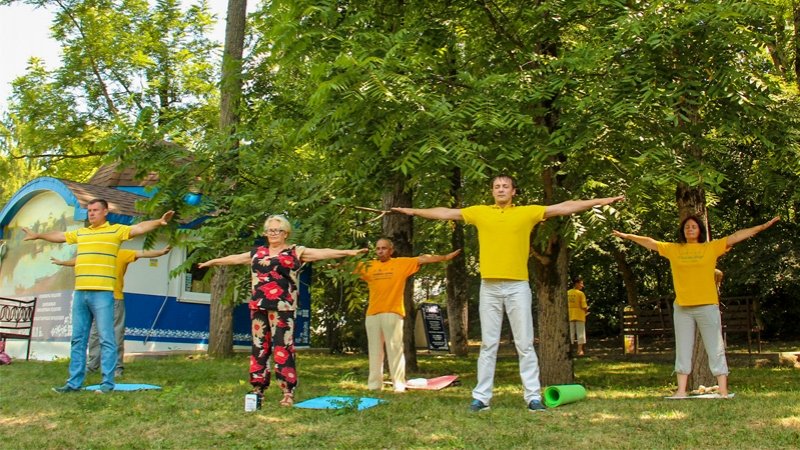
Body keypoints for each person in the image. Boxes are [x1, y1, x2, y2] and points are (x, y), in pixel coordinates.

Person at [393, 175, 623, 412]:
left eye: (505, 186)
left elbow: (565, 207)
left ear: (514, 191)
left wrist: (601, 200)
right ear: (492, 191)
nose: (500, 189)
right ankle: (481, 398)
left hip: (518, 287)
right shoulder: (480, 212)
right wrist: (412, 211)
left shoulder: (527, 212)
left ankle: (533, 397)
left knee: (525, 344)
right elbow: (446, 213)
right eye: (496, 187)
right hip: (489, 287)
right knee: (488, 345)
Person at [198, 214, 367, 407]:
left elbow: (322, 252)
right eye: (270, 230)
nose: (273, 233)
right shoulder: (258, 253)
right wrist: (212, 262)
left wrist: (348, 252)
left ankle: (287, 391)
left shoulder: (295, 251)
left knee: (282, 348)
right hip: (258, 306)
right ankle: (257, 389)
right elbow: (236, 259)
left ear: (286, 233)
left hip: (283, 306)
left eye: (277, 230)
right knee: (259, 348)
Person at [612, 215, 779, 398]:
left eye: (693, 227)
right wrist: (628, 236)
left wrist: (762, 227)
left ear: (700, 230)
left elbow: (736, 236)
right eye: (686, 227)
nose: (689, 229)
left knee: (715, 348)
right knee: (683, 349)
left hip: (707, 306)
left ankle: (723, 391)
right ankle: (681, 391)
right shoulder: (674, 249)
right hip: (682, 307)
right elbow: (650, 242)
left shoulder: (710, 247)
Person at [23, 199, 173, 393]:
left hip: (103, 293)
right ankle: (73, 383)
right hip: (81, 293)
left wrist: (158, 222)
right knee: (78, 339)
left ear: (105, 212)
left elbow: (138, 228)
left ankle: (107, 384)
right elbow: (60, 235)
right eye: (89, 211)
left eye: (95, 210)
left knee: (106, 339)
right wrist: (38, 235)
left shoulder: (116, 231)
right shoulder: (82, 233)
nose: (91, 214)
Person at [355, 237, 460, 392]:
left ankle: (398, 385)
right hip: (373, 313)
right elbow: (345, 267)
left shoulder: (401, 263)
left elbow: (423, 259)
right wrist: (329, 263)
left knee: (395, 349)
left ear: (391, 250)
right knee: (374, 350)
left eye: (384, 248)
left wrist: (444, 257)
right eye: (377, 248)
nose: (380, 251)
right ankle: (374, 385)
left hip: (393, 312)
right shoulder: (368, 265)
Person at [51, 246, 172, 378]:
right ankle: (92, 366)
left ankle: (116, 368)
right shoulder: (97, 253)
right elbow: (78, 260)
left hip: (115, 299)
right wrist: (62, 263)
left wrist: (161, 252)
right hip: (97, 298)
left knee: (115, 333)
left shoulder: (122, 254)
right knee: (95, 334)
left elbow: (142, 253)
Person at [567, 277, 589, 356]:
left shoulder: (567, 293)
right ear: (576, 284)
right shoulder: (580, 293)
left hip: (570, 315)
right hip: (579, 315)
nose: (582, 285)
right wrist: (586, 311)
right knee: (580, 333)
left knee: (570, 333)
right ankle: (579, 350)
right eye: (581, 283)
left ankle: (569, 350)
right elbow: (584, 306)